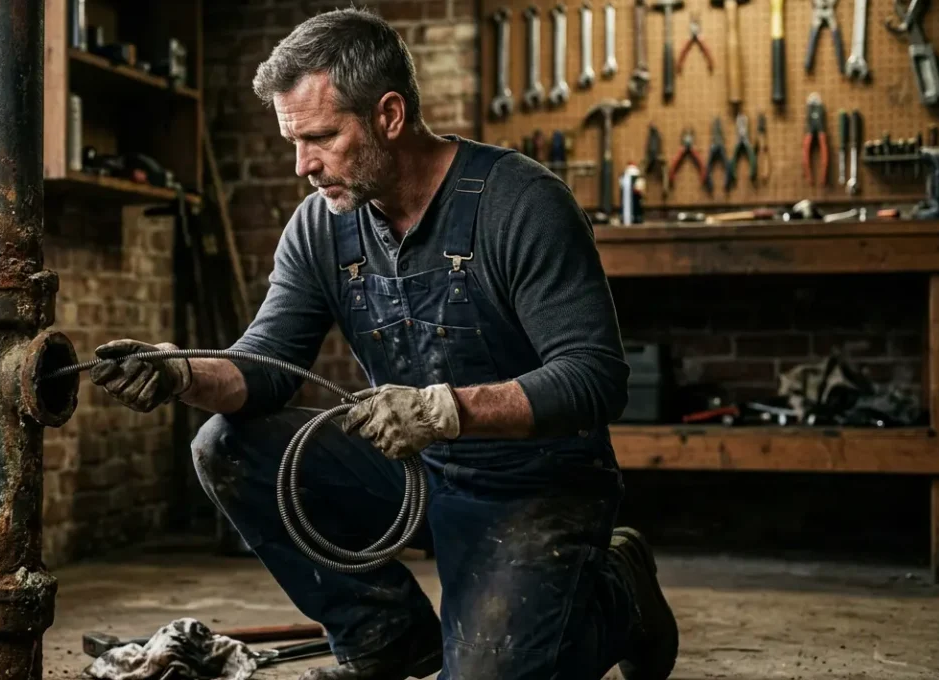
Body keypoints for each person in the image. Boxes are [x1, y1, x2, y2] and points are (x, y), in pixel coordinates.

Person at [87, 8, 677, 680]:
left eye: (320, 138)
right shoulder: (321, 226)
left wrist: (444, 411)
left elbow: (596, 378)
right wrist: (177, 372)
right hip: (414, 475)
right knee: (226, 446)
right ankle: (388, 637)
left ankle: (620, 593)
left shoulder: (522, 203)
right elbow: (266, 368)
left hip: (535, 487)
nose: (303, 165)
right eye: (293, 142)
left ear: (389, 116)